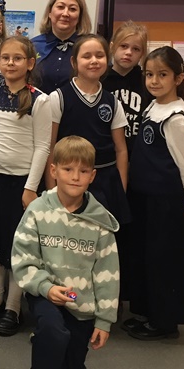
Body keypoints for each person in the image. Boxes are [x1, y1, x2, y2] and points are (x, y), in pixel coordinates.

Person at [12, 136, 120, 369]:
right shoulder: (37, 211)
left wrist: (104, 320)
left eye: (83, 171)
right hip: (46, 293)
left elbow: (108, 274)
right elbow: (22, 260)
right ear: (54, 170)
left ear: (92, 176)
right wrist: (45, 288)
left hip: (80, 301)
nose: (75, 177)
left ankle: (52, 349)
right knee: (53, 331)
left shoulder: (100, 222)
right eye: (68, 169)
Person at [0, 37, 51, 333]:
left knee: (18, 245)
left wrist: (31, 187)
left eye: (17, 58)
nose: (10, 63)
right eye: (5, 58)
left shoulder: (40, 100)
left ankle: (13, 308)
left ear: (29, 63)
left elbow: (43, 147)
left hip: (21, 183)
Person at [124, 47, 184, 340]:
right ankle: (147, 311)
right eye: (149, 74)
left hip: (164, 201)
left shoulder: (177, 119)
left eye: (162, 75)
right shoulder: (152, 107)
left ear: (178, 78)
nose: (154, 81)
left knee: (163, 259)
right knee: (145, 256)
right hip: (143, 196)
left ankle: (165, 322)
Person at [46, 34, 130, 232]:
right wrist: (51, 190)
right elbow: (49, 147)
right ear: (74, 62)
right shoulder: (58, 98)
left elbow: (121, 150)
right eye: (86, 56)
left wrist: (121, 188)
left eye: (99, 56)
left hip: (105, 182)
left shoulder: (112, 102)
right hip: (69, 179)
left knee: (103, 239)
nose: (94, 61)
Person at [33, 0, 92, 94]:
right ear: (50, 12)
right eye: (60, 7)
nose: (65, 14)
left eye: (72, 9)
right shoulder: (33, 46)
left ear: (80, 16)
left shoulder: (90, 48)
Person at [102, 21, 150, 156]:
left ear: (142, 54)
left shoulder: (147, 82)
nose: (129, 52)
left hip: (137, 154)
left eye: (136, 49)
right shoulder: (100, 79)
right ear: (112, 47)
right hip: (105, 153)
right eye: (123, 46)